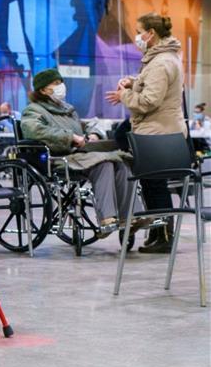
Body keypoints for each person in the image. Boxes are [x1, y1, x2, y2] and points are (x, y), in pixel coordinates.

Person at [25, 68, 148, 238]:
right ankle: (107, 219)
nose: (61, 86)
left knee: (120, 161)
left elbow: (84, 125)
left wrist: (94, 133)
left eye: (61, 82)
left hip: (80, 155)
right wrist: (70, 137)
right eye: (56, 83)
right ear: (43, 90)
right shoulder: (33, 110)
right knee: (103, 163)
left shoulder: (67, 109)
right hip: (58, 158)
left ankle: (130, 216)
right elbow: (34, 130)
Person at [105, 13, 184, 253]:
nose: (137, 36)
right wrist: (134, 82)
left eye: (139, 31)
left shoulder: (160, 62)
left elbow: (150, 101)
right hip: (157, 129)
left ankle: (164, 236)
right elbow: (152, 85)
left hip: (156, 131)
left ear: (151, 33)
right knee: (152, 184)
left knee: (154, 184)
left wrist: (124, 95)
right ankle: (158, 233)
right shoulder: (162, 57)